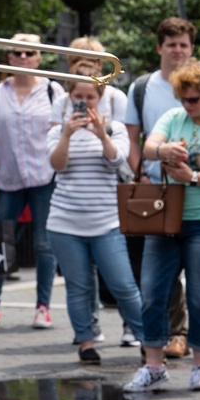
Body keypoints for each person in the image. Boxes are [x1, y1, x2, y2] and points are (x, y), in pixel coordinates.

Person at [125, 59, 200, 393]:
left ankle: (199, 365)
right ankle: (153, 365)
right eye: (184, 98)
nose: (188, 105)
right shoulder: (174, 117)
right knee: (151, 292)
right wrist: (163, 149)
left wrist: (192, 176)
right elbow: (147, 146)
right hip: (167, 220)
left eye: (195, 99)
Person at [124, 17, 200, 361]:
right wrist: (142, 174)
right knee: (161, 274)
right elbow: (134, 138)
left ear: (192, 48)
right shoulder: (141, 87)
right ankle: (175, 333)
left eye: (184, 44)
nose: (178, 50)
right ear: (159, 48)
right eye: (171, 45)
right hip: (158, 189)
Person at [45, 64, 144, 365]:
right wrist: (66, 135)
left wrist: (102, 134)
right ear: (69, 97)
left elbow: (117, 162)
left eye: (90, 96)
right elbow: (57, 165)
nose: (85, 102)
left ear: (100, 98)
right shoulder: (58, 130)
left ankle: (148, 339)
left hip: (106, 222)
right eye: (79, 96)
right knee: (79, 287)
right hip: (64, 221)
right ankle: (86, 342)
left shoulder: (115, 128)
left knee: (124, 285)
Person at [0, 33, 62, 330]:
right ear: (9, 57)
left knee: (45, 244)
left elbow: (60, 136)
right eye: (17, 53)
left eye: (29, 53)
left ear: (39, 57)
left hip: (44, 176)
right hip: (7, 178)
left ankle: (43, 307)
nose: (23, 58)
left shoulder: (53, 91)